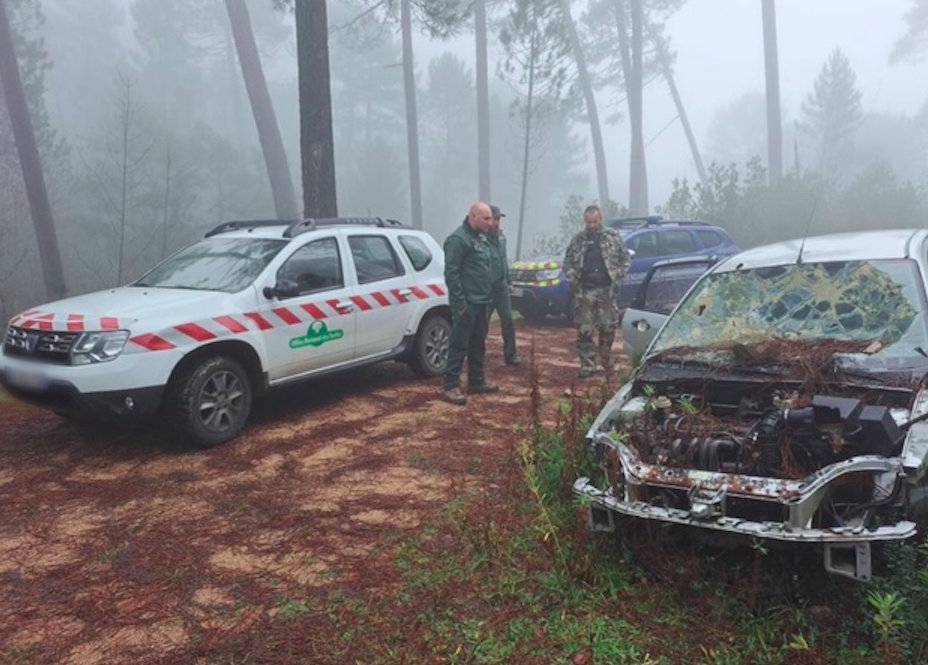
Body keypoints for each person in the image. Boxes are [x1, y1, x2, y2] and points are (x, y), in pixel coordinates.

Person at [563, 204, 631, 379]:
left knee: (608, 327)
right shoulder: (578, 239)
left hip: (607, 290)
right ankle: (588, 365)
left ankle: (606, 360)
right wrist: (572, 277)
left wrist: (618, 274)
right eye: (588, 222)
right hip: (585, 290)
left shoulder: (612, 236)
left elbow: (625, 258)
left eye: (594, 221)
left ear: (600, 219)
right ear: (585, 221)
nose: (592, 225)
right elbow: (568, 262)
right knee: (584, 329)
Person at [442, 201, 499, 405]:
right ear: (472, 216)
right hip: (467, 303)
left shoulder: (480, 238)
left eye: (491, 218)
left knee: (478, 344)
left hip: (482, 301)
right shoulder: (459, 240)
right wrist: (460, 303)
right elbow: (451, 273)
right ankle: (450, 385)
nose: (490, 222)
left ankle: (476, 380)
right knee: (459, 344)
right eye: (486, 218)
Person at [487, 205, 520, 367]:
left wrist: (509, 281)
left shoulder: (501, 238)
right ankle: (476, 356)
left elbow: (503, 261)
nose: (497, 223)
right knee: (481, 325)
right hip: (486, 289)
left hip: (501, 287)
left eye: (499, 219)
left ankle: (511, 355)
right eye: (494, 219)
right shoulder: (480, 239)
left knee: (508, 320)